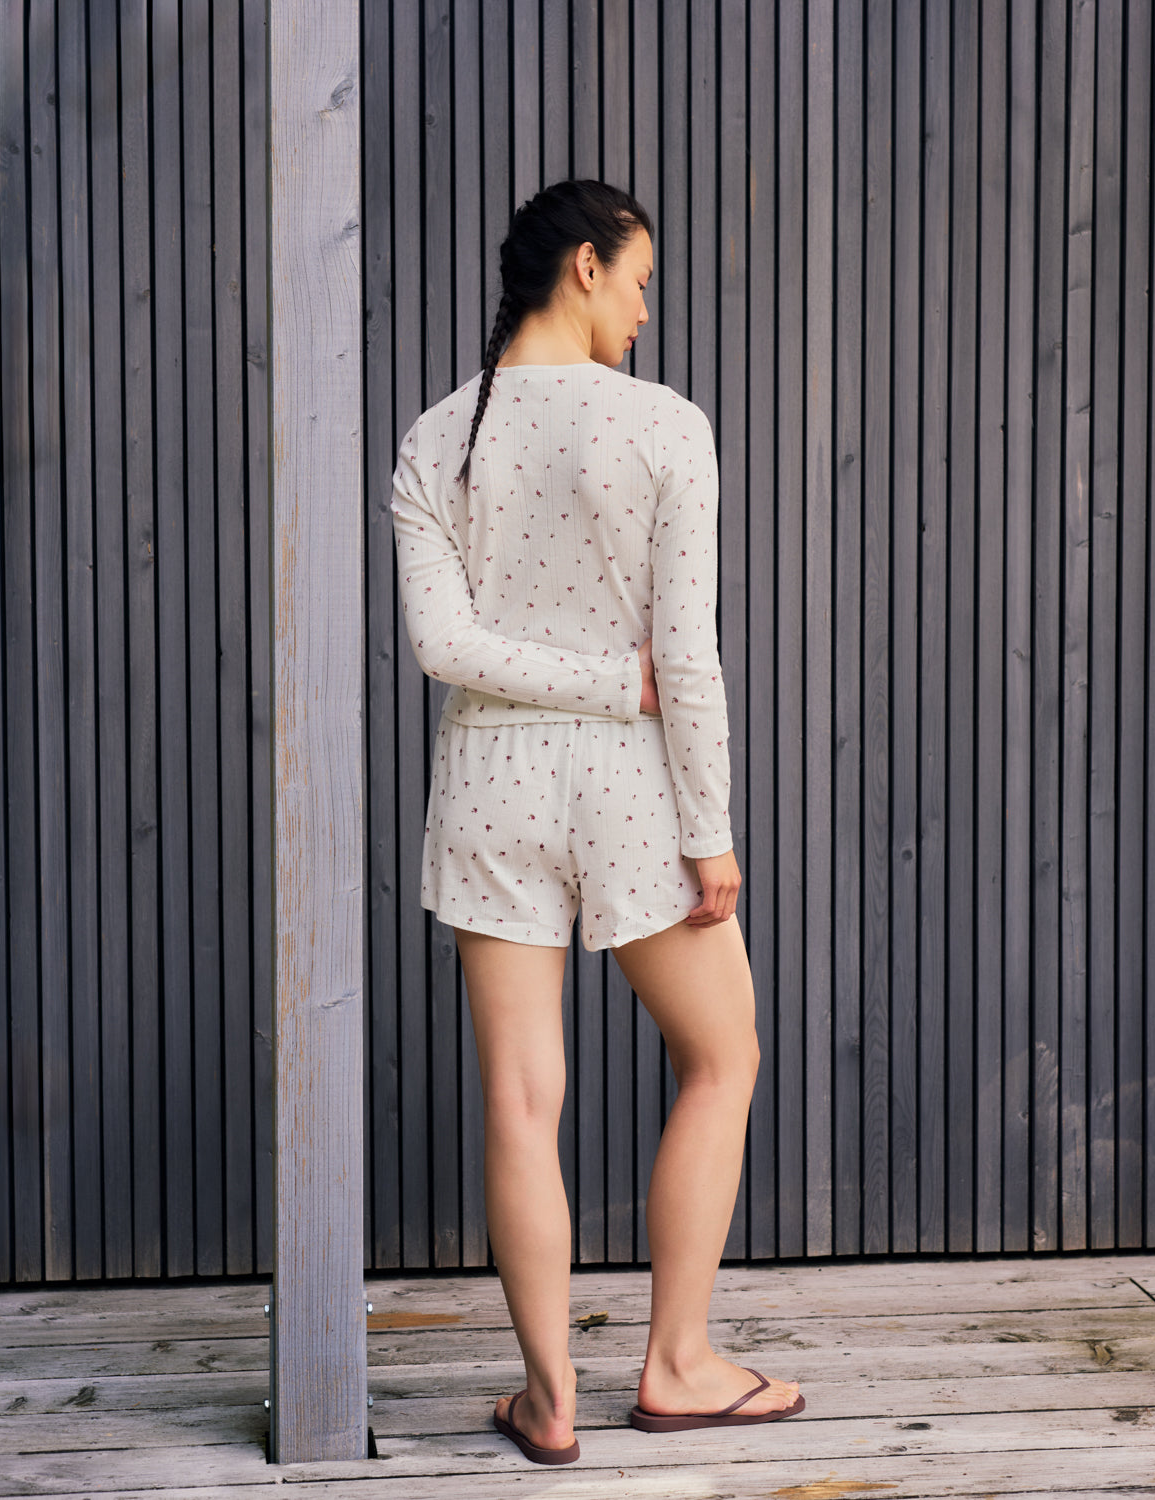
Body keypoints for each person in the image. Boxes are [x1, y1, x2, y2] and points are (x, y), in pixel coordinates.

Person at [390, 179, 803, 1466]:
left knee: (521, 1099)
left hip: (491, 786)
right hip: (633, 789)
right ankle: (677, 1365)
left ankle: (551, 1396)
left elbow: (441, 645)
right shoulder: (666, 426)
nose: (644, 309)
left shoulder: (436, 436)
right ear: (582, 267)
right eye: (638, 281)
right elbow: (685, 655)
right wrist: (711, 827)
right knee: (723, 1054)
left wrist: (565, 676)